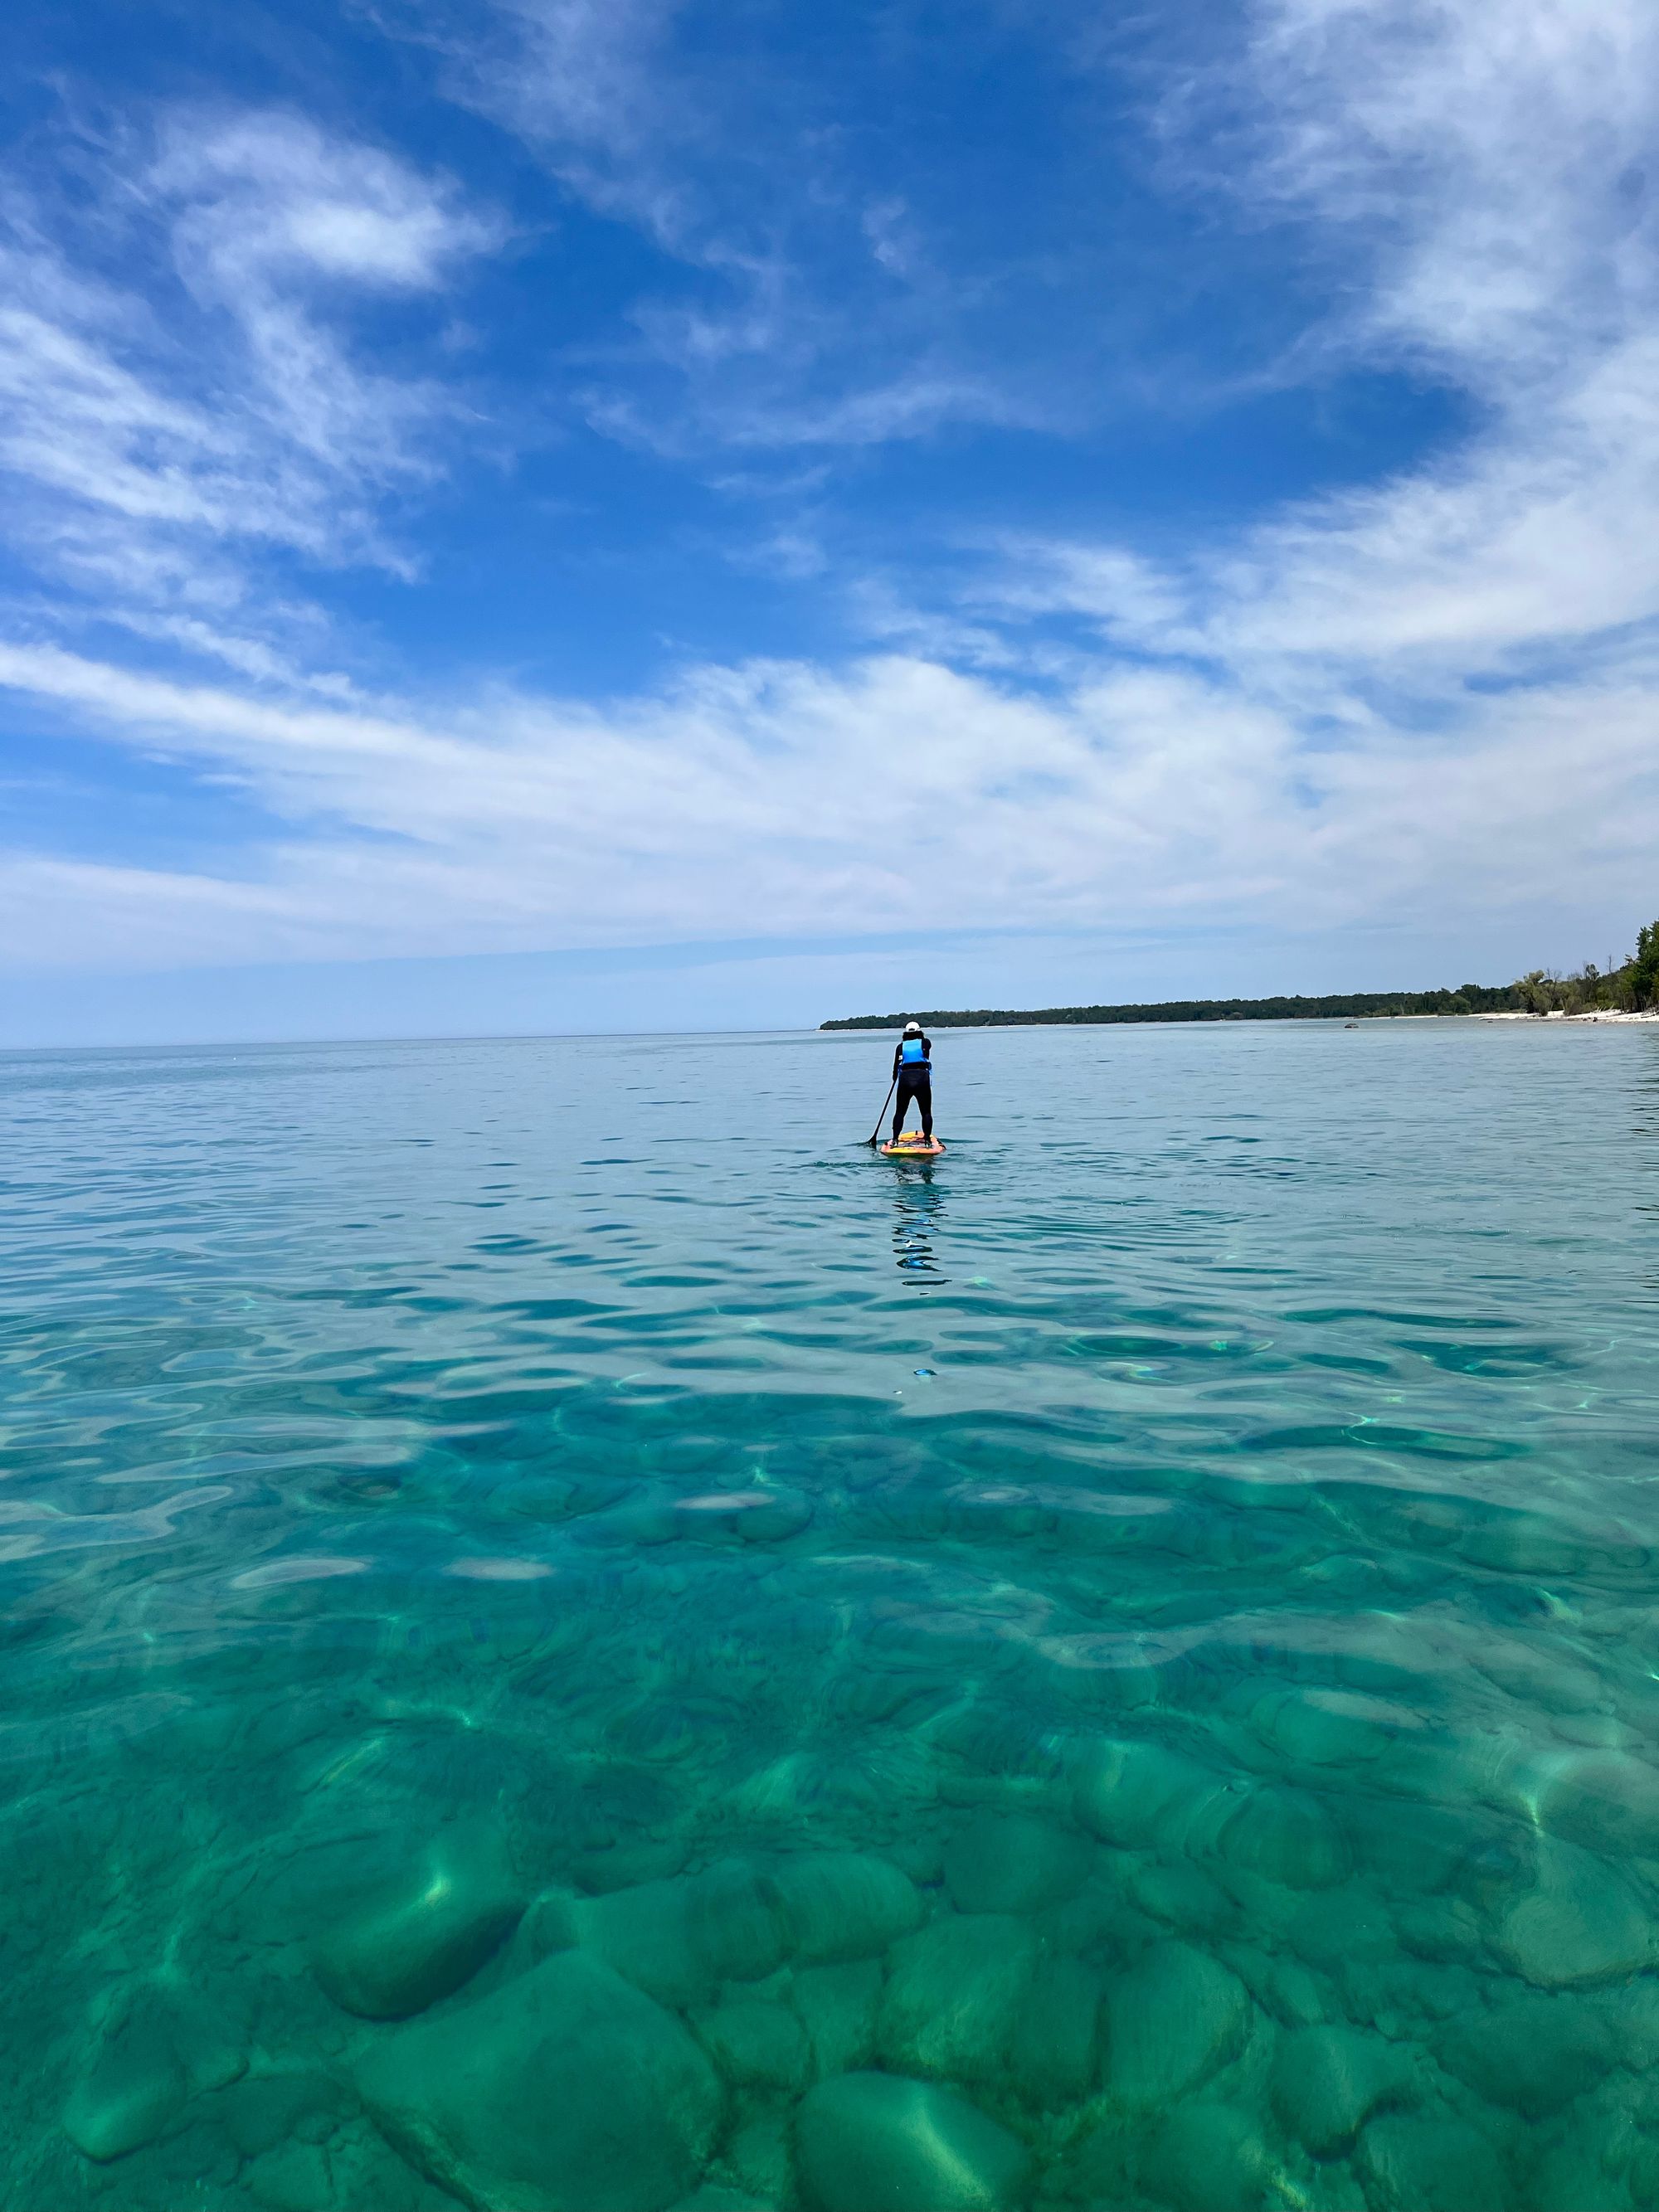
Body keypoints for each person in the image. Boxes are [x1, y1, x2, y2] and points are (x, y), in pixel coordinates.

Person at [891, 1020, 934, 1144]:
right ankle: (927, 1139)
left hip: (905, 1080)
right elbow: (926, 1050)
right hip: (922, 1079)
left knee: (900, 1111)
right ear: (920, 1031)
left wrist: (895, 1078)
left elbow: (895, 1068)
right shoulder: (925, 1043)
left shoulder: (900, 1047)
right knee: (926, 1111)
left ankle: (895, 1139)